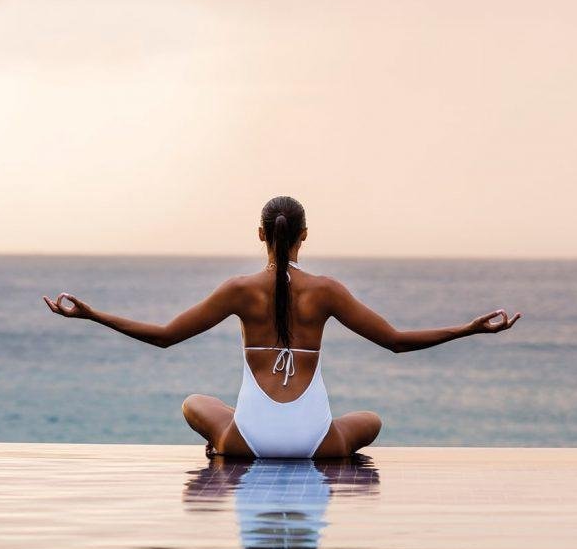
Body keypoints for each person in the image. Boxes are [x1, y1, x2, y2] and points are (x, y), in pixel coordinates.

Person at [43, 194, 520, 459]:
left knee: (195, 403)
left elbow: (165, 337)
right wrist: (468, 329)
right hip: (317, 444)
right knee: (370, 420)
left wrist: (92, 315)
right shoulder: (327, 291)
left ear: (260, 235)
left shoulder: (238, 289)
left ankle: (222, 447)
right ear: (305, 237)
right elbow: (395, 342)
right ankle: (300, 440)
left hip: (248, 443)